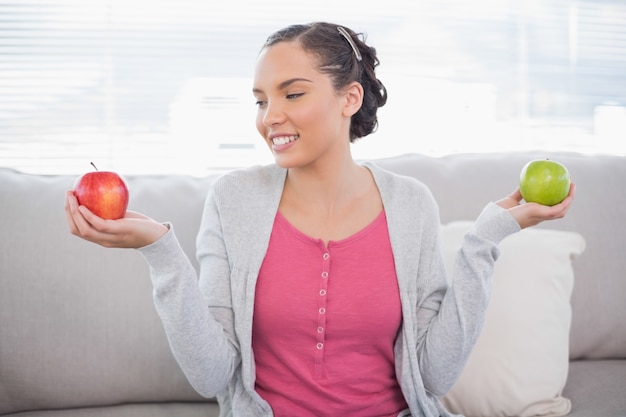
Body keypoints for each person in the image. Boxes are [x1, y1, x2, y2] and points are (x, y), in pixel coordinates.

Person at [65, 21, 575, 417]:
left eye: (292, 94)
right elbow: (211, 374)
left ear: (348, 98)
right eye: (262, 101)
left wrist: (485, 240)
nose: (270, 117)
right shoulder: (234, 199)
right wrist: (161, 253)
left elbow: (434, 377)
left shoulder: (410, 204)